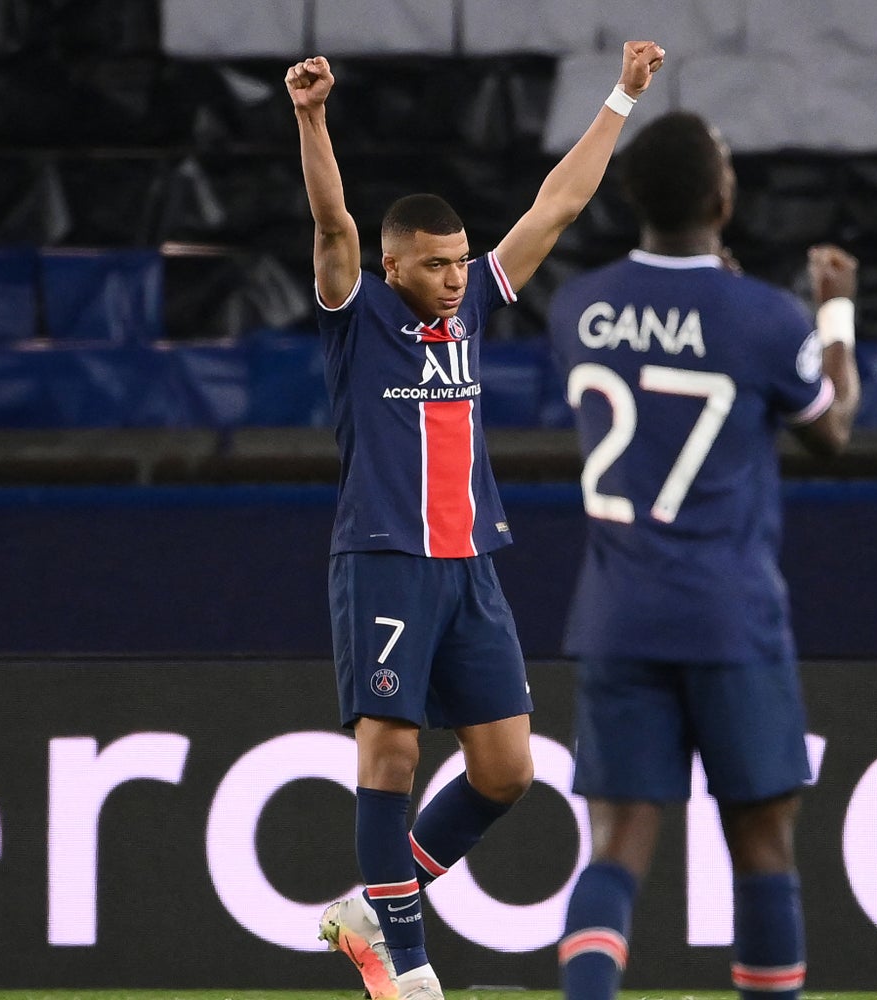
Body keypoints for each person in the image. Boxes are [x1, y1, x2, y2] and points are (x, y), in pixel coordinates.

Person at [285, 40, 665, 1000]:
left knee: (507, 772)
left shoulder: (473, 315)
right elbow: (330, 220)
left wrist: (620, 96)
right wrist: (312, 116)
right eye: (438, 265)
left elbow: (559, 205)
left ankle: (380, 903)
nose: (457, 278)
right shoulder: (355, 312)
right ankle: (404, 969)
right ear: (395, 263)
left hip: (471, 566)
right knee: (393, 748)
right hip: (385, 558)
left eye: (462, 262)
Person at [544, 110, 860, 1000]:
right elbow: (832, 429)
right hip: (730, 616)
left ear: (633, 196)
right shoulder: (764, 315)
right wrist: (832, 309)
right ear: (725, 199)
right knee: (762, 847)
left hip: (617, 615)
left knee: (614, 852)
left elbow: (661, 327)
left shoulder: (578, 308)